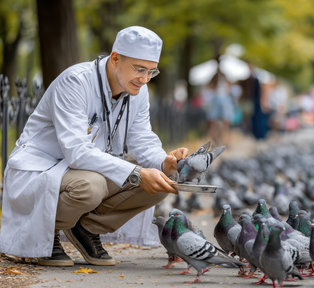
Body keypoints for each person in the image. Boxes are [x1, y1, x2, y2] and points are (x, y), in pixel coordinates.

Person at [0, 26, 188, 267]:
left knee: (161, 183)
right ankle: (39, 237)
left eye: (152, 71)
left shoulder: (139, 92)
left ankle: (85, 229)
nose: (145, 79)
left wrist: (165, 162)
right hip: (43, 168)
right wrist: (137, 173)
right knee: (92, 186)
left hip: (88, 168)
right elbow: (77, 152)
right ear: (116, 58)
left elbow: (142, 139)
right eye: (139, 69)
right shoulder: (75, 81)